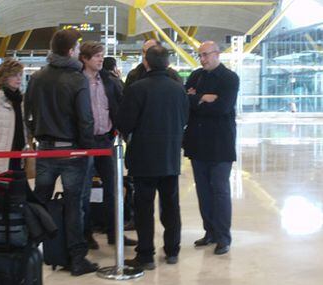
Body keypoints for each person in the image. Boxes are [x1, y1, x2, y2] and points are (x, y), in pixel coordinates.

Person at [24, 29, 98, 276]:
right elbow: (85, 119)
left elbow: (29, 115)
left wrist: (37, 136)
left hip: (45, 151)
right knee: (73, 204)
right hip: (72, 153)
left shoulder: (37, 78)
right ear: (70, 51)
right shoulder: (77, 80)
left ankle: (29, 251)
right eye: (77, 48)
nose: (78, 51)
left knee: (40, 201)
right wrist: (85, 146)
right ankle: (77, 258)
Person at [117, 45, 189, 270]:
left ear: (145, 62)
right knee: (171, 205)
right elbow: (184, 118)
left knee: (144, 208)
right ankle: (172, 250)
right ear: (167, 64)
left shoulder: (137, 89)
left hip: (143, 159)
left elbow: (124, 123)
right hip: (169, 157)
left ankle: (146, 255)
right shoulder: (179, 89)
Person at [183, 41, 239, 255]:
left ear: (217, 54)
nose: (203, 59)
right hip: (197, 142)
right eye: (200, 55)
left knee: (220, 189)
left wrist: (195, 99)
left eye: (206, 55)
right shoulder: (196, 75)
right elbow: (185, 101)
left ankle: (223, 237)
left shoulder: (229, 78)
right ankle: (210, 232)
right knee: (203, 190)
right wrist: (202, 98)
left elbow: (223, 107)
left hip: (220, 143)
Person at [78, 41, 137, 250]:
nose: (101, 59)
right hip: (84, 143)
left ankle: (115, 232)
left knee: (113, 189)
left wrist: (119, 129)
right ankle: (86, 234)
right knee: (84, 191)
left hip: (106, 141)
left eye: (102, 56)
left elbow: (119, 106)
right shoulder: (76, 81)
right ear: (84, 59)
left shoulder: (109, 81)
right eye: (96, 56)